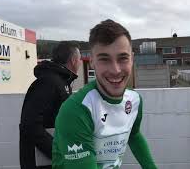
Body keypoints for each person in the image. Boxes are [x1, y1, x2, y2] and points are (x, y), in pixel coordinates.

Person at [52, 19, 157, 169]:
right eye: (104, 59)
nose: (115, 70)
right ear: (92, 62)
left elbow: (133, 134)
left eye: (123, 58)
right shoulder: (75, 111)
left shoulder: (134, 100)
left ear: (132, 59)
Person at [19, 41, 81, 169]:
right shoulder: (49, 82)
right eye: (79, 59)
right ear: (74, 60)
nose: (80, 63)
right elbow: (29, 124)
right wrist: (56, 151)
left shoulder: (60, 81)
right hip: (41, 163)